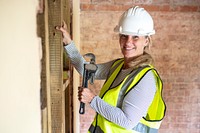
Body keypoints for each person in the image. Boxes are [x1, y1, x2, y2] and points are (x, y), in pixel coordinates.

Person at [57, 5, 166, 133]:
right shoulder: (118, 65)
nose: (128, 42)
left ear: (146, 40)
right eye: (124, 35)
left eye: (135, 37)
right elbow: (86, 70)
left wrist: (92, 100)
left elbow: (127, 121)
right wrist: (68, 42)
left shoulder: (146, 78)